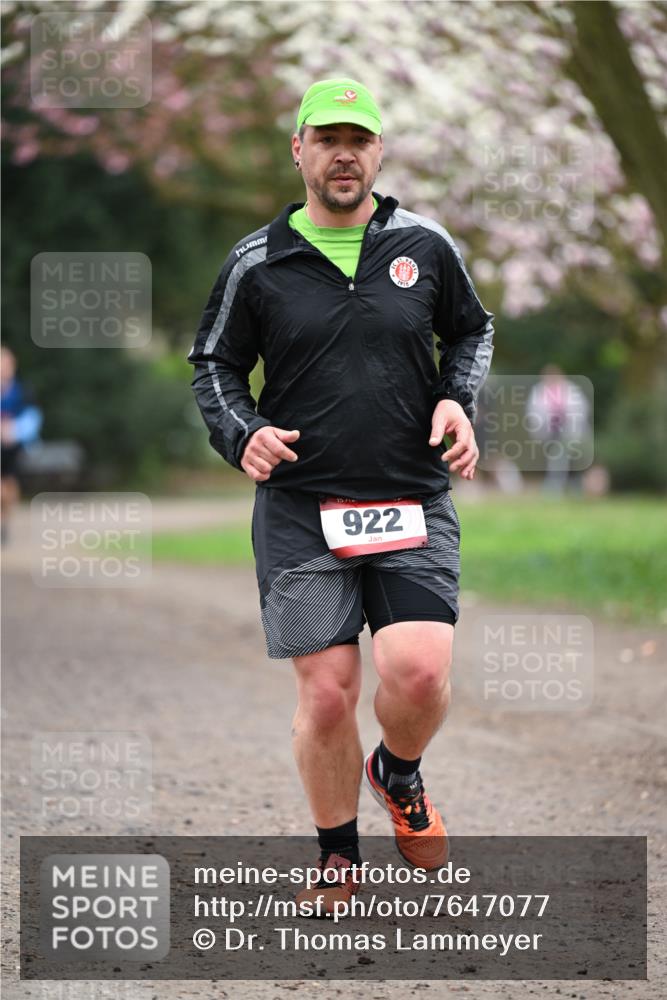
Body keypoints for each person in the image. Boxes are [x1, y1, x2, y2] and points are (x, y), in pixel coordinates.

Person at [188, 79, 494, 912]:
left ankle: (396, 770)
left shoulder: (425, 245)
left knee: (420, 674)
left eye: (358, 138)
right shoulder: (258, 261)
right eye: (327, 138)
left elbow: (470, 329)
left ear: (379, 152)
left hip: (409, 496)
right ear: (299, 151)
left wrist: (454, 401)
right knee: (326, 688)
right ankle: (336, 855)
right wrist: (240, 430)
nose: (344, 152)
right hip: (299, 505)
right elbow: (213, 364)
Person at [1, 346, 42, 545]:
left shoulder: (23, 390)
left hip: (13, 446)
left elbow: (33, 420)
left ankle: (5, 521)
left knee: (7, 486)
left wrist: (13, 430)